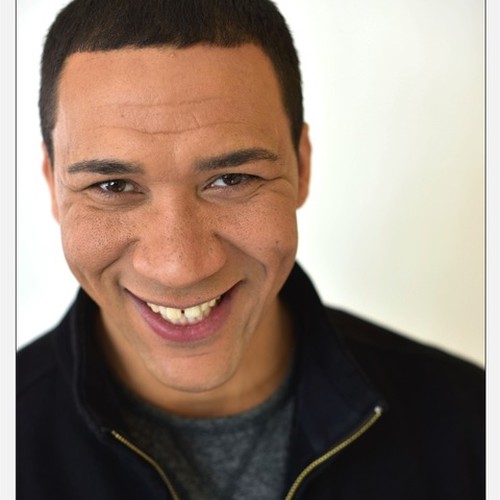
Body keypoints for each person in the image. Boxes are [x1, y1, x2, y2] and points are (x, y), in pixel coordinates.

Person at [16, 0, 484, 498]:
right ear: (53, 187)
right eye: (112, 186)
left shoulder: (473, 423)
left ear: (302, 166)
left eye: (232, 179)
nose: (179, 267)